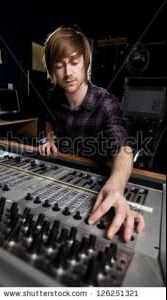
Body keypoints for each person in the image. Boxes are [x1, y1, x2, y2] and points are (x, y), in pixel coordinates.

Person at [39, 26, 145, 242]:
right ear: (52, 71)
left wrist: (115, 187)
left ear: (86, 63)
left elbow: (123, 148)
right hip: (67, 169)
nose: (68, 73)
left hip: (100, 177)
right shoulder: (53, 97)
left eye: (74, 62)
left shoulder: (107, 103)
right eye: (59, 66)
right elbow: (49, 118)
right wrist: (49, 138)